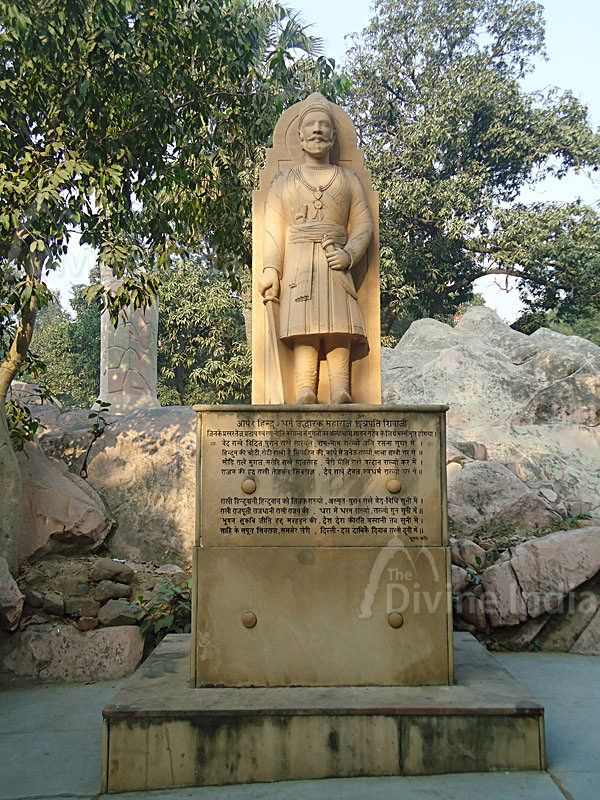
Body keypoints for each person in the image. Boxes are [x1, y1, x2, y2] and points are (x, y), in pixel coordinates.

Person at [258, 98, 374, 404]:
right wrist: (271, 269)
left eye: (325, 126)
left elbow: (363, 225)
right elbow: (271, 229)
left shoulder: (349, 180)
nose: (318, 130)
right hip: (298, 263)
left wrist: (349, 254)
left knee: (339, 326)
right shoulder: (283, 182)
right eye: (311, 125)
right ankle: (305, 388)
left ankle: (340, 388)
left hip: (335, 261)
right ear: (299, 136)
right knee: (304, 329)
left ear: (334, 137)